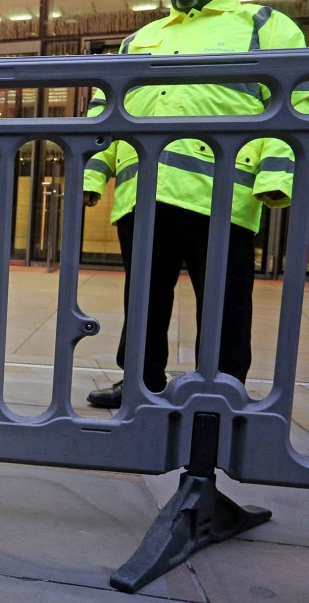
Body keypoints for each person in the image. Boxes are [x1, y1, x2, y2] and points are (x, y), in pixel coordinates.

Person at [83, 0, 303, 409]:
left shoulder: (262, 24)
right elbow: (105, 110)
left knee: (225, 300)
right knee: (144, 297)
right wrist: (92, 174)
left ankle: (221, 388)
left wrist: (276, 176)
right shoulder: (140, 38)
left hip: (222, 193)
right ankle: (140, 382)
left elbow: (296, 98)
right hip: (144, 189)